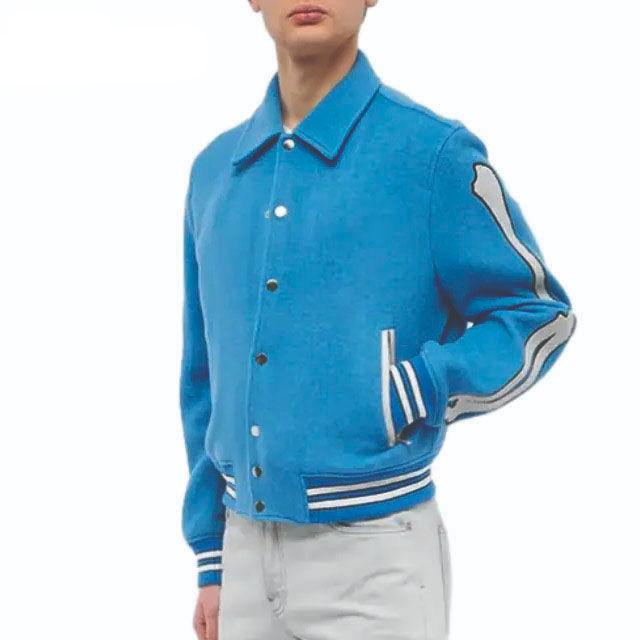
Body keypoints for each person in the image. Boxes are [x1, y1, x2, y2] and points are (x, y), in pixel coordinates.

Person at [179, 2, 576, 638]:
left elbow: (537, 315)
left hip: (376, 561)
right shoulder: (214, 171)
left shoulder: (432, 154)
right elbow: (204, 372)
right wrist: (211, 555)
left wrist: (419, 387)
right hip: (243, 553)